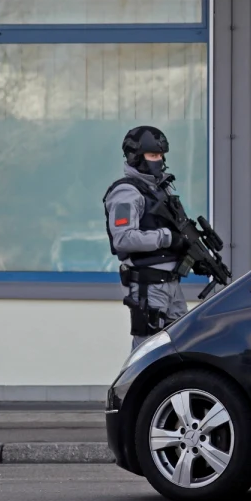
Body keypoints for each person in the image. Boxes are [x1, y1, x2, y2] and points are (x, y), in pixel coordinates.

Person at [103, 126, 191, 349]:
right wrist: (166, 238)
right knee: (148, 349)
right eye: (153, 155)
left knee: (181, 345)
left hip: (171, 283)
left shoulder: (161, 189)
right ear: (136, 157)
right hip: (149, 285)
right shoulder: (126, 193)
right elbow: (122, 239)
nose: (159, 160)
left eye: (161, 155)